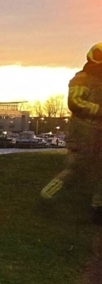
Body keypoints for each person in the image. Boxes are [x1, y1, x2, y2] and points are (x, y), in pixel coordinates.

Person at [41, 43, 102, 219]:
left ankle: (98, 208)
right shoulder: (82, 79)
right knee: (76, 168)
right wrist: (98, 110)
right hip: (83, 132)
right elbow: (75, 102)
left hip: (98, 132)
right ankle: (47, 196)